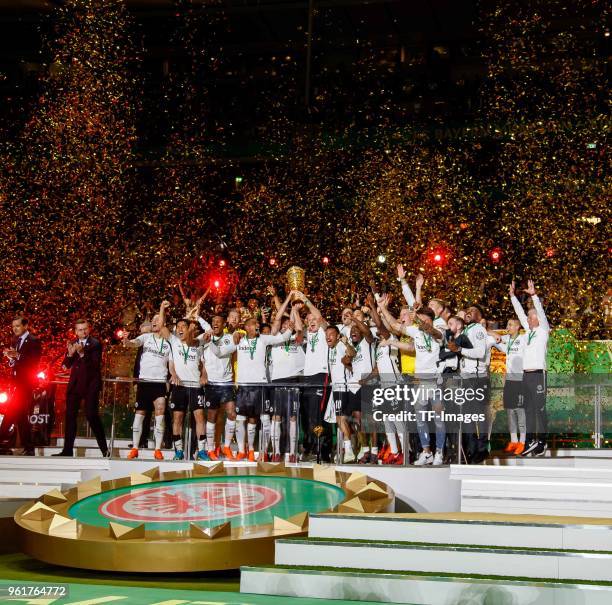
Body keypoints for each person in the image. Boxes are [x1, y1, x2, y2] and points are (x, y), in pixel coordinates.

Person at [211, 306, 293, 461]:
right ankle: (242, 450)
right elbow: (220, 352)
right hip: (243, 385)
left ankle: (256, 451)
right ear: (247, 327)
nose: (257, 326)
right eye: (254, 324)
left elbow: (281, 339)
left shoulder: (263, 338)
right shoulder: (239, 340)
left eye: (257, 324)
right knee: (241, 419)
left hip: (260, 385)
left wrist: (290, 330)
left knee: (259, 419)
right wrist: (211, 342)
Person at [378, 300, 445, 466]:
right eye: (418, 320)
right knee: (420, 419)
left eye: (422, 320)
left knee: (438, 419)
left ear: (430, 319)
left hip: (435, 381)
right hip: (420, 381)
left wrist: (419, 319)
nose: (419, 323)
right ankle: (426, 452)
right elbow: (395, 326)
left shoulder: (439, 329)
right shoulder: (417, 332)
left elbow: (433, 333)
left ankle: (440, 452)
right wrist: (383, 308)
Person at [122, 301, 171, 460]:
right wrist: (126, 341)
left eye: (158, 319)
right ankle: (135, 448)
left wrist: (171, 379)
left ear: (163, 322)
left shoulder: (169, 343)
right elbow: (132, 344)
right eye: (153, 320)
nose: (155, 322)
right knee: (140, 415)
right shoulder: (146, 337)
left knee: (160, 414)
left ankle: (157, 449)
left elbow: (171, 364)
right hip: (145, 382)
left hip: (159, 383)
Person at [55, 319, 108, 457]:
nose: (83, 332)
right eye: (79, 329)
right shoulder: (73, 343)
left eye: (85, 329)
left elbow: (94, 366)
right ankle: (67, 450)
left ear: (89, 329)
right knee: (70, 416)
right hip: (75, 385)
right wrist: (70, 354)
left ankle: (104, 449)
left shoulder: (95, 344)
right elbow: (66, 366)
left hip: (90, 385)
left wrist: (83, 353)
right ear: (75, 331)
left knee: (91, 415)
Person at [510, 280, 550, 457]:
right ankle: (531, 441)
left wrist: (534, 295)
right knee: (528, 409)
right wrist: (512, 297)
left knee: (539, 408)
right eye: (528, 316)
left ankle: (542, 441)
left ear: (536, 319)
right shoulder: (529, 332)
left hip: (538, 375)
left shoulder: (542, 330)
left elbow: (540, 312)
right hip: (525, 376)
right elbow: (519, 314)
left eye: (530, 316)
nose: (527, 318)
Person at [447, 304, 489, 463]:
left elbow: (480, 353)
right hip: (466, 378)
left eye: (474, 311)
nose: (469, 313)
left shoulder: (478, 329)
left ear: (480, 316)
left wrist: (459, 350)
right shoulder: (467, 330)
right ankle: (472, 450)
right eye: (468, 311)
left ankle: (482, 448)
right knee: (467, 416)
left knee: (478, 413)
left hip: (476, 378)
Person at [296, 291, 332, 462]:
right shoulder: (308, 335)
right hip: (307, 378)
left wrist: (305, 300)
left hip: (321, 375)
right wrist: (295, 310)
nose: (312, 321)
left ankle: (322, 449)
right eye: (308, 320)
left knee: (319, 416)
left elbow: (318, 316)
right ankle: (312, 445)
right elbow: (297, 329)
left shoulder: (325, 332)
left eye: (314, 319)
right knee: (309, 416)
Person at [269, 305, 305, 462]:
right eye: (283, 325)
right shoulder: (274, 339)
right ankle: (276, 452)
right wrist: (288, 301)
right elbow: (277, 319)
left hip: (294, 380)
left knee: (293, 418)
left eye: (287, 324)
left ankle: (292, 452)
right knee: (276, 417)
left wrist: (295, 312)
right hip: (277, 380)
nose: (285, 326)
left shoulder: (296, 340)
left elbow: (300, 329)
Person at [3, 317, 42, 455]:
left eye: (18, 326)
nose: (15, 329)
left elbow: (34, 362)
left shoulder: (34, 341)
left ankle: (1, 440)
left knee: (10, 412)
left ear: (25, 325)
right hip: (16, 382)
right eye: (13, 326)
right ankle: (29, 447)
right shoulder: (15, 340)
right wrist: (11, 358)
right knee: (20, 416)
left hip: (26, 383)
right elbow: (16, 363)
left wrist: (18, 356)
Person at [168, 318, 206, 461]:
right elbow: (171, 365)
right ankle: (178, 450)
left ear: (189, 329)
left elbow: (203, 364)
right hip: (179, 386)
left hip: (195, 386)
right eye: (178, 327)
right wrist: (173, 374)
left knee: (200, 417)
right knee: (177, 418)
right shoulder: (174, 342)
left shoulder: (198, 344)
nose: (180, 329)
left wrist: (204, 375)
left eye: (183, 326)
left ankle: (201, 451)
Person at [200, 315, 238, 461]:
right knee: (211, 417)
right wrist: (196, 316)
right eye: (213, 321)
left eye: (218, 321)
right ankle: (210, 450)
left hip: (226, 382)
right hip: (211, 383)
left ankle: (227, 447)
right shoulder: (206, 337)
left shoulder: (230, 338)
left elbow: (220, 352)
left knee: (232, 414)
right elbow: (195, 345)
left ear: (224, 324)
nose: (215, 323)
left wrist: (208, 342)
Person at [491, 316, 527, 455]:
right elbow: (495, 338)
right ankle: (513, 440)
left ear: (518, 327)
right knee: (510, 411)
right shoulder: (507, 341)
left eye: (511, 324)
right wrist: (489, 331)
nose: (508, 327)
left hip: (521, 381)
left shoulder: (523, 339)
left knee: (520, 411)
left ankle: (522, 442)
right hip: (510, 382)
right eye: (507, 324)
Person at [325, 324, 357, 463]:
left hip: (342, 387)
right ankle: (347, 449)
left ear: (338, 336)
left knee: (341, 419)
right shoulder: (330, 349)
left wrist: (346, 343)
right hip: (336, 388)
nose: (328, 337)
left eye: (331, 334)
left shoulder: (339, 346)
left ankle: (349, 450)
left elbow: (352, 353)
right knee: (339, 420)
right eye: (327, 334)